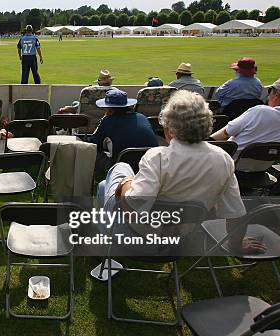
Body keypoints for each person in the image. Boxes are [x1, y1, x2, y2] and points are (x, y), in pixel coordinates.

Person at [97, 90, 263, 254]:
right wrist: (236, 244)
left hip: (138, 239)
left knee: (120, 169)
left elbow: (133, 206)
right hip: (179, 242)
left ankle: (103, 239)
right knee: (104, 185)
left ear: (169, 129)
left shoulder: (158, 157)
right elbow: (235, 212)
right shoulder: (223, 159)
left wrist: (125, 183)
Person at [211, 75, 280, 156]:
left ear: (277, 93)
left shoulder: (260, 111)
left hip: (230, 166)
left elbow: (224, 134)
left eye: (270, 90)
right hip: (269, 171)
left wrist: (205, 142)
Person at [88, 90, 158, 172]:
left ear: (110, 110)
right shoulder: (142, 117)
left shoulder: (108, 121)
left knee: (90, 153)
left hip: (121, 167)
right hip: (150, 165)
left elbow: (93, 145)